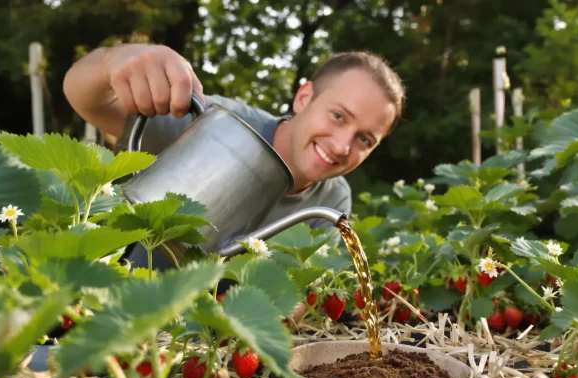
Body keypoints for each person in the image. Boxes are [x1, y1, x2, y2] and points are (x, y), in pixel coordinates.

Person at [62, 44, 405, 278]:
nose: (344, 146)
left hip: (213, 348)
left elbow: (299, 293)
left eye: (365, 139)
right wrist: (114, 61)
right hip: (132, 308)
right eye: (338, 116)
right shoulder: (222, 129)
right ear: (304, 98)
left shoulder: (332, 198)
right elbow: (87, 101)